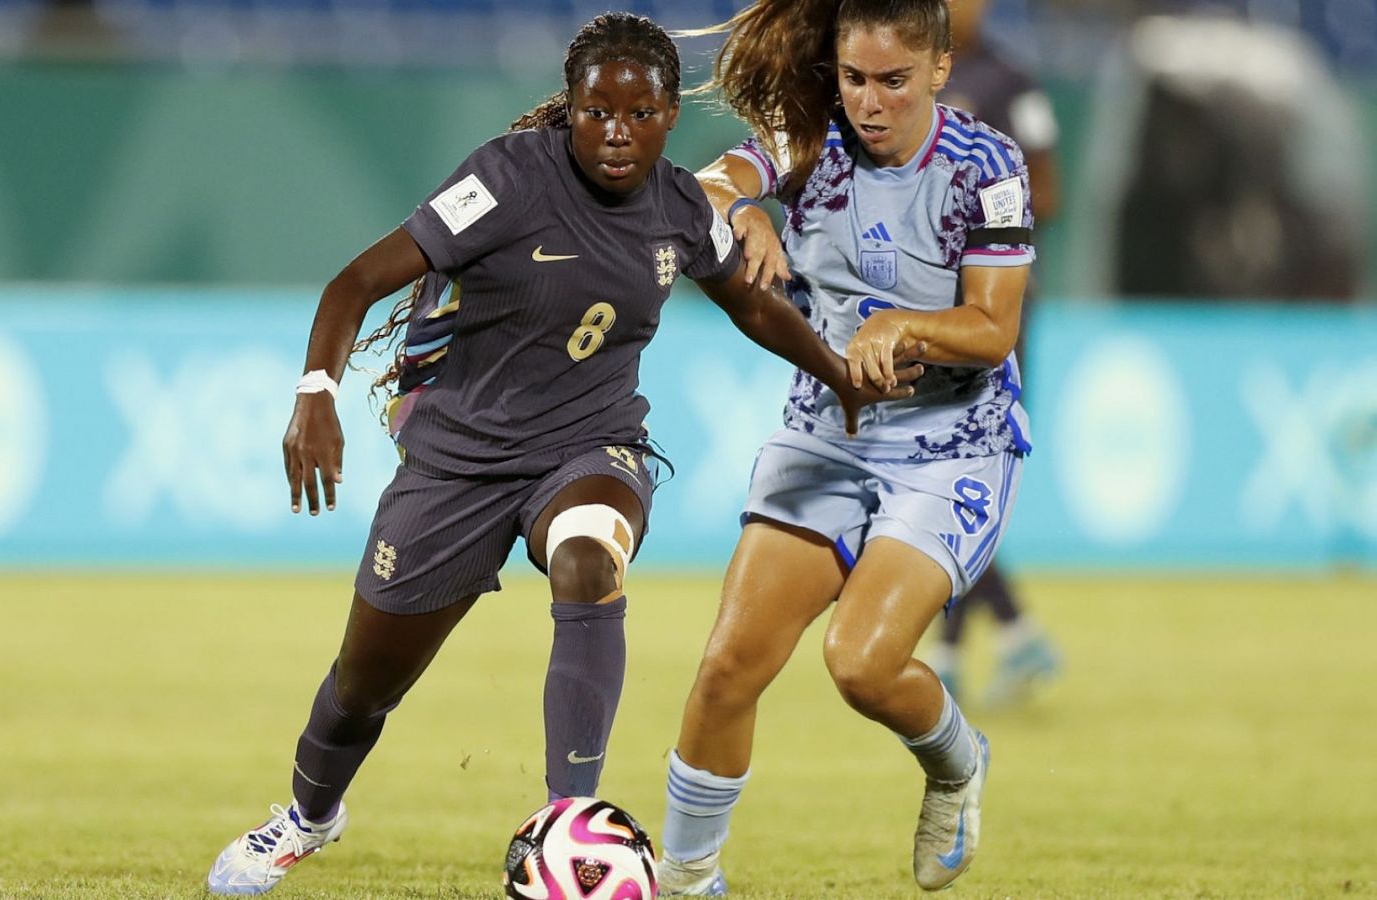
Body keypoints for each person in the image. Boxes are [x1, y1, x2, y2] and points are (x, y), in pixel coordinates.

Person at [204, 13, 917, 897]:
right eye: (597, 113)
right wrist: (315, 392)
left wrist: (840, 374)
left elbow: (750, 303)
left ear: (666, 116)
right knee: (362, 687)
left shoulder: (682, 208)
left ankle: (566, 824)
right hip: (458, 461)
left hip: (591, 445)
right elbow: (356, 282)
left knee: (588, 559)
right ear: (570, 111)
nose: (618, 133)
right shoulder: (504, 180)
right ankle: (307, 818)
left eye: (641, 113)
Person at [656, 0, 1035, 893]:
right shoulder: (808, 134)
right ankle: (686, 877)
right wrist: (742, 216)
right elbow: (704, 193)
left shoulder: (986, 167)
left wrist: (902, 327)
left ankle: (955, 761)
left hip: (951, 445)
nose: (870, 103)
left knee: (860, 666)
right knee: (726, 667)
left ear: (937, 73)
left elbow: (991, 328)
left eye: (894, 82)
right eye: (856, 78)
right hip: (826, 432)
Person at [928, 0, 1063, 708]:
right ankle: (986, 641)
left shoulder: (1013, 83)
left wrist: (983, 233)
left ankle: (987, 641)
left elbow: (1050, 189)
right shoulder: (907, 77)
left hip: (995, 305)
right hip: (929, 304)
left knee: (960, 471)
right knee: (945, 476)